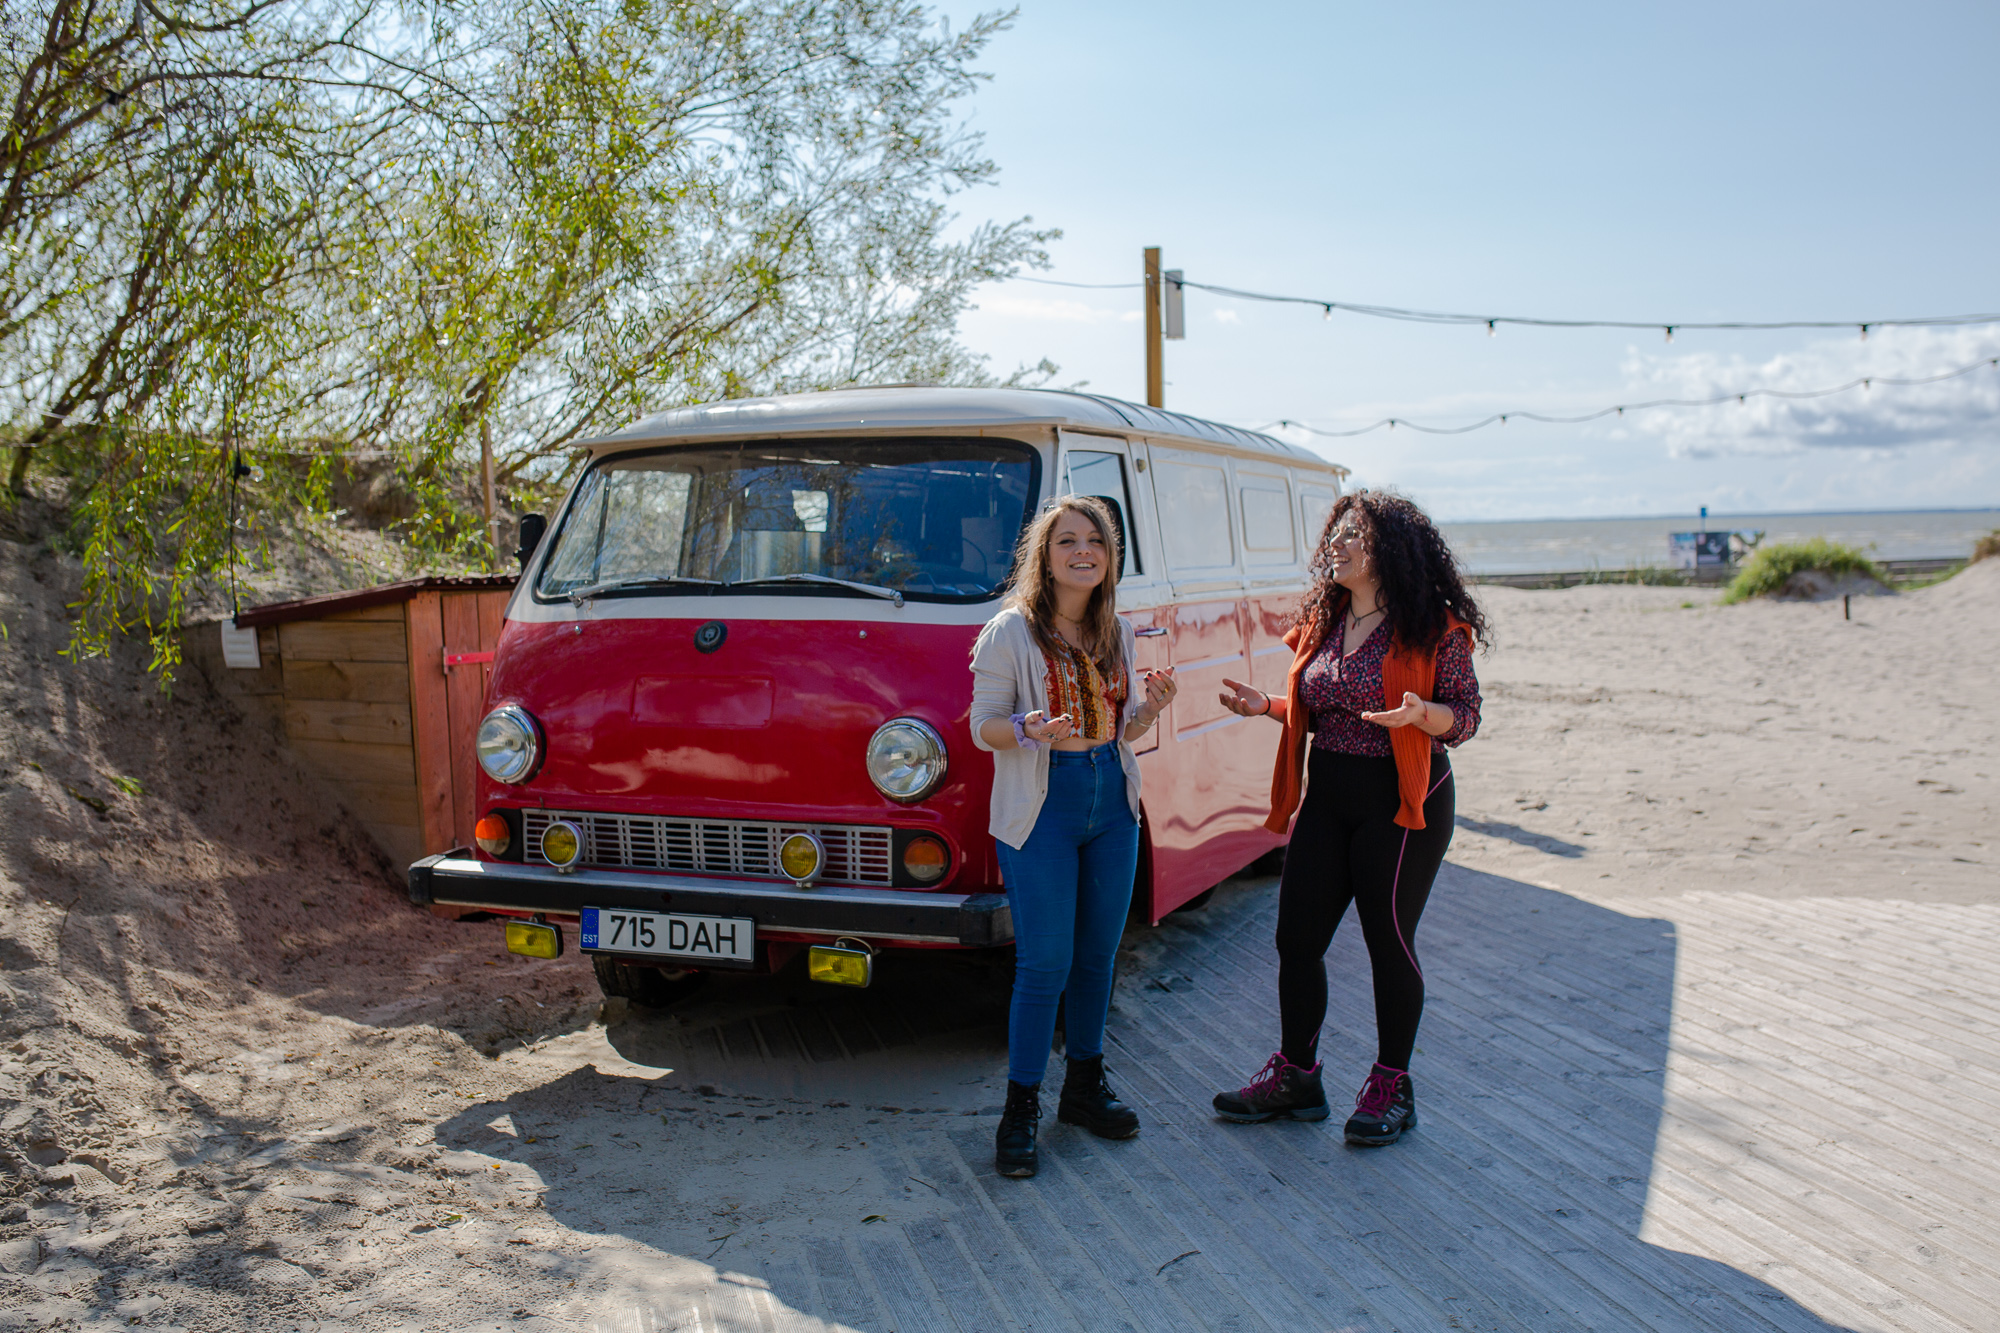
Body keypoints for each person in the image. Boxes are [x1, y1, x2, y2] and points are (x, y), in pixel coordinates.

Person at [1211, 490, 1485, 1146]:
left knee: (1387, 940)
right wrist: (1268, 706)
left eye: (1352, 536)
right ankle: (1297, 1076)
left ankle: (1393, 1084)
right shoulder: (1327, 619)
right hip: (1330, 792)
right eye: (1333, 535)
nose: (1336, 545)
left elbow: (1467, 715)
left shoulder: (1431, 625)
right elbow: (1320, 705)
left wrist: (1422, 713)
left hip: (1402, 798)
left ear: (1389, 549)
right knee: (1296, 939)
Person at [969, 496, 1178, 1178]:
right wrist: (1027, 728)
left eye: (1096, 540)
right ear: (1045, 554)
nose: (1083, 550)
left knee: (1097, 956)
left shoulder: (1113, 630)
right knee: (1044, 963)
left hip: (1110, 799)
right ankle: (1020, 1108)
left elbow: (1120, 730)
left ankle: (1084, 1088)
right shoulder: (1010, 631)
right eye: (1068, 540)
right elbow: (982, 726)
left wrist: (1147, 711)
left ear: (1110, 556)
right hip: (1043, 804)